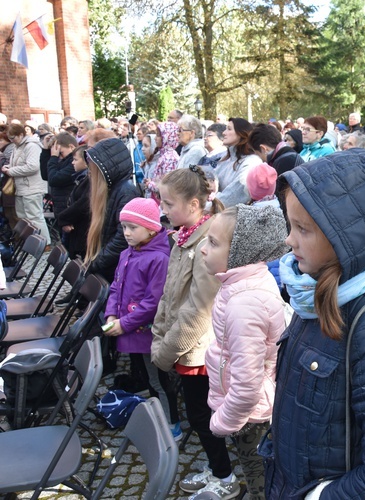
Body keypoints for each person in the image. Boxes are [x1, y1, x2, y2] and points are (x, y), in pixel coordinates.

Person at [259, 150, 365, 498]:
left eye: (302, 229)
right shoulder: (315, 291)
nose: (289, 240)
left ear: (345, 240)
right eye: (290, 226)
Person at [149, 167, 234, 499]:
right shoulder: (185, 235)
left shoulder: (206, 243)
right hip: (181, 346)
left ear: (195, 203)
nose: (163, 210)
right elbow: (170, 294)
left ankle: (225, 476)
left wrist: (166, 350)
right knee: (197, 414)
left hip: (196, 349)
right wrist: (159, 334)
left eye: (169, 204)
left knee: (202, 416)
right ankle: (216, 468)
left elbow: (200, 309)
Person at [201, 204, 288, 498]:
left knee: (257, 478)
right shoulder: (240, 287)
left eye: (213, 243)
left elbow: (247, 384)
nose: (203, 249)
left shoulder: (244, 304)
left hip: (251, 416)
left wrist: (223, 420)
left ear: (240, 251)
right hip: (249, 410)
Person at [103, 198, 180, 439]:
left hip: (147, 332)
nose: (126, 233)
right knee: (147, 376)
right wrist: (111, 314)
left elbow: (152, 303)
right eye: (124, 227)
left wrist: (123, 323)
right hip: (131, 328)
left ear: (151, 228)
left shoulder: (159, 259)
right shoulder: (128, 253)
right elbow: (116, 286)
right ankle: (159, 416)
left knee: (157, 379)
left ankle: (171, 426)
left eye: (132, 227)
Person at [84, 138, 141, 284]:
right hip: (108, 265)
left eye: (93, 168)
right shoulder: (114, 189)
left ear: (106, 168)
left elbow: (122, 238)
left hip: (114, 268)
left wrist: (97, 263)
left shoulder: (126, 192)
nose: (90, 173)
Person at [3, 124, 51, 245]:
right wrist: (9, 166)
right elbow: (19, 163)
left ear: (20, 134)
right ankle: (33, 242)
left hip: (32, 187)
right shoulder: (17, 146)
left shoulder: (31, 146)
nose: (11, 141)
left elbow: (33, 166)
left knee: (35, 216)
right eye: (9, 138)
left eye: (13, 138)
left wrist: (11, 171)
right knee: (23, 216)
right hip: (22, 187)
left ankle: (45, 243)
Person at [214, 118, 261, 207]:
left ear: (241, 133)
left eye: (229, 129)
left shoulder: (251, 162)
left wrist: (207, 206)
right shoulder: (225, 158)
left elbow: (235, 195)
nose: (224, 133)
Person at [56, 146, 90, 261]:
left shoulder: (88, 180)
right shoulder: (81, 178)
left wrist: (64, 218)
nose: (72, 163)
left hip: (82, 231)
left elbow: (82, 204)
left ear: (86, 162)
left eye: (75, 160)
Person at [46, 133, 78, 231]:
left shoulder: (74, 161)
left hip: (68, 210)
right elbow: (45, 174)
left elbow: (53, 179)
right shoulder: (63, 160)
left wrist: (53, 158)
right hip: (60, 208)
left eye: (61, 152)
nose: (58, 156)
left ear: (71, 147)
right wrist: (45, 151)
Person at [148, 122, 180, 201]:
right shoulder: (165, 155)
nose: (155, 138)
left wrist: (150, 184)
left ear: (167, 137)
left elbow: (167, 185)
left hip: (161, 200)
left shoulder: (170, 157)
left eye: (158, 135)